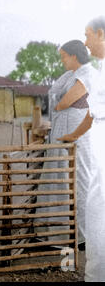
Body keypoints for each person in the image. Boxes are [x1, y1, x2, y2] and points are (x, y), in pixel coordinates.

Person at [58, 16, 105, 282]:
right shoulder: (101, 70)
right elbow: (92, 113)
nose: (85, 41)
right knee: (96, 208)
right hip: (95, 140)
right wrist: (73, 135)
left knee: (98, 205)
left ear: (101, 33)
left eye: (87, 35)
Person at [36, 40, 94, 247]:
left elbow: (64, 102)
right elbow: (53, 100)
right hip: (63, 129)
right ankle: (55, 230)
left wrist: (57, 104)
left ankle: (80, 235)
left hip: (75, 132)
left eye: (64, 56)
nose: (62, 61)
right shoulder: (69, 76)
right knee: (58, 177)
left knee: (77, 178)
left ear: (74, 56)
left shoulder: (87, 75)